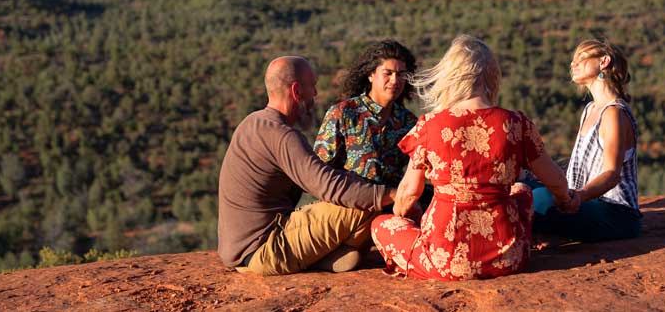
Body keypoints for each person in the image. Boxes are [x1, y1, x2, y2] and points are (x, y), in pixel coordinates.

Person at [370, 35, 572, 280]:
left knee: (381, 225)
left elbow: (409, 193)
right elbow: (556, 181)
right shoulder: (516, 124)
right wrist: (565, 201)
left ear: (450, 75)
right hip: (508, 258)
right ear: (491, 75)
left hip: (445, 261)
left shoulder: (430, 126)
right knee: (522, 189)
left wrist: (406, 220)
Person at [218, 56, 396, 276]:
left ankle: (320, 257)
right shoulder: (281, 136)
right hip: (265, 249)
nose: (315, 94)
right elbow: (328, 186)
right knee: (366, 206)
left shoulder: (252, 123)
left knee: (357, 199)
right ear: (296, 91)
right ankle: (321, 255)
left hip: (243, 252)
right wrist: (394, 195)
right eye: (312, 86)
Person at [531, 38, 642, 241]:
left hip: (616, 214)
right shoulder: (590, 109)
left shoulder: (614, 113)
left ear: (604, 61)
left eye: (581, 57)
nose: (573, 64)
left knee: (534, 199)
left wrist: (579, 196)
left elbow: (611, 174)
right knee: (526, 188)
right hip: (585, 204)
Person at [313, 40, 418, 189]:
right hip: (347, 205)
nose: (395, 80)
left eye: (401, 74)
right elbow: (319, 171)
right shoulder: (344, 113)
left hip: (392, 205)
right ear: (371, 75)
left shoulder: (409, 122)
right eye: (388, 73)